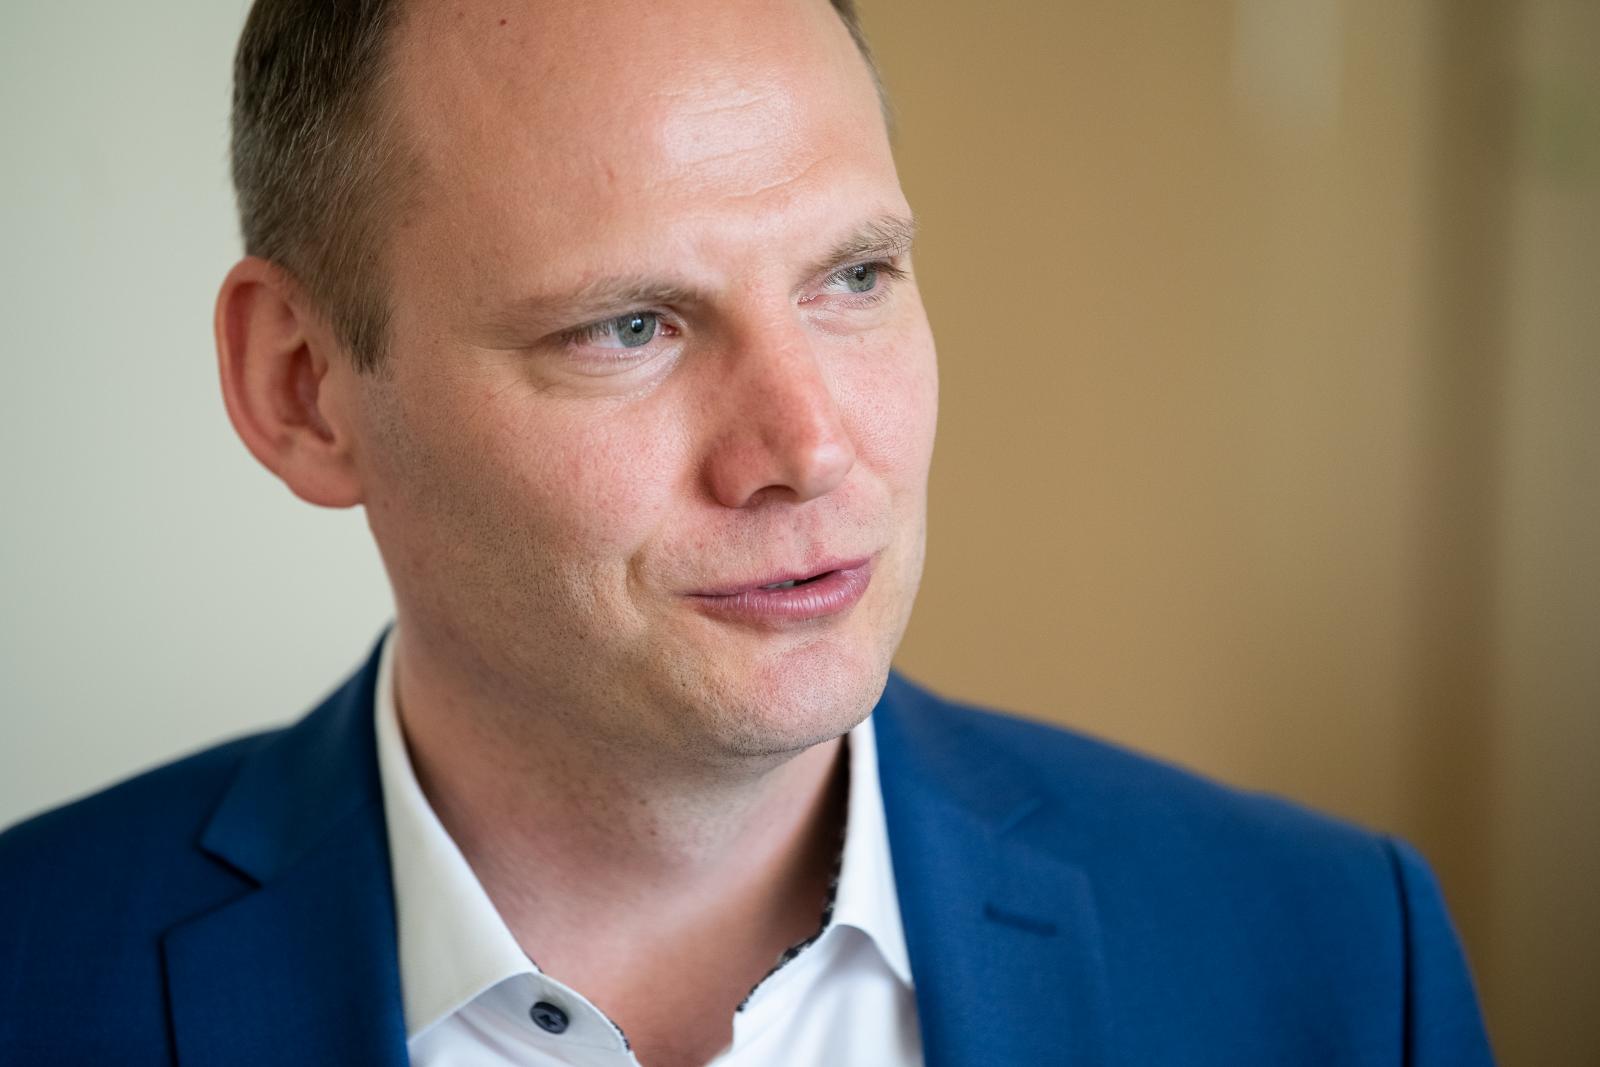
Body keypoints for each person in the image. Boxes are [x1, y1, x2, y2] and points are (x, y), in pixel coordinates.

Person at [0, 1, 1495, 1064]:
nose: (810, 448)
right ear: (303, 390)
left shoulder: (1336, 960)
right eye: (629, 325)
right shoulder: (32, 980)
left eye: (854, 279)